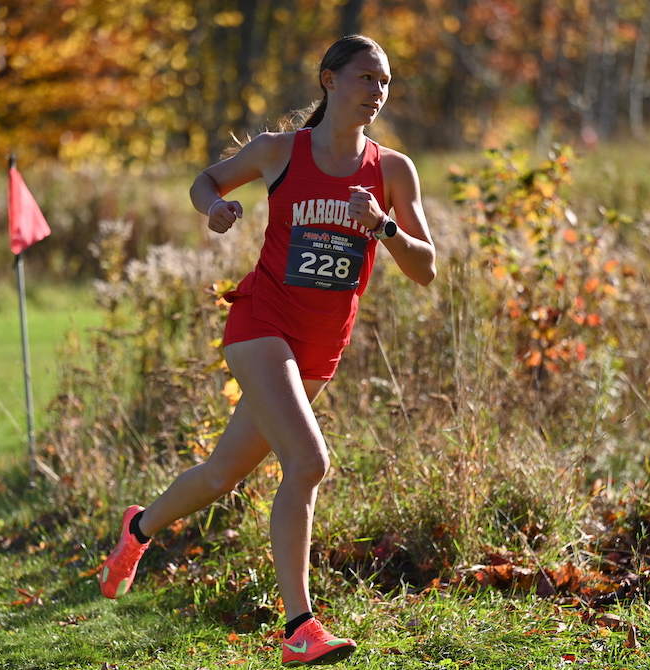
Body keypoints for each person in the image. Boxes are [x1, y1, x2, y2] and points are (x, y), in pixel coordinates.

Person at [99, 34, 436, 667]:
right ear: (329, 79)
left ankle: (137, 530)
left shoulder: (393, 170)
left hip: (320, 344)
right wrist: (215, 208)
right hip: (261, 322)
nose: (378, 91)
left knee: (222, 474)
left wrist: (383, 226)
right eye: (366, 77)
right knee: (308, 462)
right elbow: (206, 180)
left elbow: (426, 269)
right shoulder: (281, 152)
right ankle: (299, 629)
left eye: (385, 81)